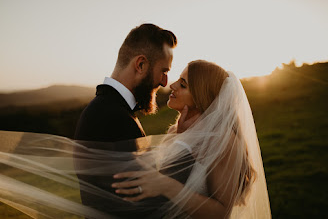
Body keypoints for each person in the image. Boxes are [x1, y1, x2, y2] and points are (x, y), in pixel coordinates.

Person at [0, 60, 271, 218]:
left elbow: (220, 213)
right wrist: (180, 136)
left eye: (183, 84)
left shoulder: (223, 140)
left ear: (202, 97)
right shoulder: (184, 129)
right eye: (178, 79)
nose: (172, 85)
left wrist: (165, 185)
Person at [73, 23, 178, 217]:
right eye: (164, 71)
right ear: (140, 65)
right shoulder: (114, 118)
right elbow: (142, 208)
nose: (165, 82)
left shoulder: (104, 109)